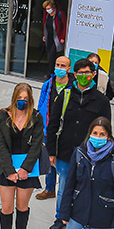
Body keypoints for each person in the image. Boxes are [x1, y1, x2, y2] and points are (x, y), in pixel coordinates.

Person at [46, 58, 112, 229]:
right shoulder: (65, 95)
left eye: (88, 73)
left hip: (90, 154)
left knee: (88, 189)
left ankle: (87, 224)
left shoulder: (101, 100)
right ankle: (61, 217)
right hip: (65, 151)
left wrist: (103, 154)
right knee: (64, 187)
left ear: (93, 74)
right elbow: (53, 124)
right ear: (74, 75)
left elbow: (107, 131)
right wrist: (51, 151)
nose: (84, 76)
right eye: (81, 73)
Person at [0, 83, 45, 229]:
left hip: (27, 168)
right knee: (6, 208)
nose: (22, 102)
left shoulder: (36, 117)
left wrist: (25, 169)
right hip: (7, 166)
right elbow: (1, 145)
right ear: (14, 98)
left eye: (25, 99)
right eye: (19, 98)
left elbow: (37, 145)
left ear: (30, 99)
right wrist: (10, 170)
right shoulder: (2, 116)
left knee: (22, 206)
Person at [35, 55, 72, 201]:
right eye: (57, 65)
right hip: (48, 128)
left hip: (65, 130)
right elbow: (41, 104)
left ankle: (65, 189)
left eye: (63, 66)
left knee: (63, 161)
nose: (59, 68)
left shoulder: (72, 86)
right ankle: (50, 189)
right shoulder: (48, 85)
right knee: (49, 158)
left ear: (69, 69)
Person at [41, 0, 67, 75]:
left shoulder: (59, 14)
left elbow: (64, 26)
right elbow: (44, 25)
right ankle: (51, 70)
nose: (48, 10)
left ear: (53, 7)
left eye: (49, 8)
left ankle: (50, 73)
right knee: (50, 54)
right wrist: (44, 35)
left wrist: (62, 37)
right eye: (46, 8)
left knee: (52, 55)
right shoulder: (47, 15)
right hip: (49, 37)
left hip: (56, 38)